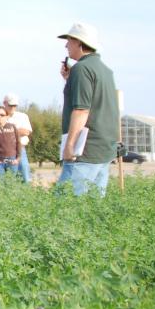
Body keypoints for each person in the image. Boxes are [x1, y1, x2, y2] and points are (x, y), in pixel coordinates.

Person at [57, 23, 119, 196]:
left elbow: (81, 110)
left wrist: (69, 145)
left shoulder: (82, 69)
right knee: (92, 209)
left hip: (84, 150)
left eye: (68, 40)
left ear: (78, 42)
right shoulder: (105, 70)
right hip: (102, 149)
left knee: (66, 207)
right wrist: (69, 80)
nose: (66, 45)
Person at [0, 94, 33, 183]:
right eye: (11, 105)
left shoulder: (23, 116)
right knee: (7, 180)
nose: (13, 107)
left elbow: (26, 132)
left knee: (25, 177)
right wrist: (18, 131)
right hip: (4, 152)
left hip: (20, 150)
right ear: (4, 103)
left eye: (15, 105)